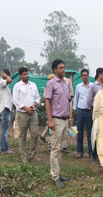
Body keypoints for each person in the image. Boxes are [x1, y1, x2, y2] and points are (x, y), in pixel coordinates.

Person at [45, 59, 72, 188]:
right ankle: (55, 177)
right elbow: (48, 102)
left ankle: (58, 172)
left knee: (61, 148)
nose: (63, 70)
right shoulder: (51, 84)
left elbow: (68, 101)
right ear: (55, 70)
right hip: (56, 120)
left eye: (64, 67)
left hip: (65, 119)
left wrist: (69, 118)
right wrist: (50, 120)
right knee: (55, 149)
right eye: (60, 68)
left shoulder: (65, 84)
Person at [13, 66, 40, 163]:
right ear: (20, 76)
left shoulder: (33, 85)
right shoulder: (17, 86)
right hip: (22, 114)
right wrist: (26, 108)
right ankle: (24, 156)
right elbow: (15, 100)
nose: (26, 75)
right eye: (24, 74)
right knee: (22, 136)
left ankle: (32, 155)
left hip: (33, 113)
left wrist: (35, 104)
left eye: (27, 73)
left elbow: (37, 97)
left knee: (35, 134)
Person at [87, 67, 103, 163]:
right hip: (96, 113)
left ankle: (102, 154)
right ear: (99, 74)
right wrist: (93, 109)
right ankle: (94, 155)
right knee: (95, 133)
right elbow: (89, 101)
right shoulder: (93, 86)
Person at [73, 69, 93, 159]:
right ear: (81, 77)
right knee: (79, 132)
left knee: (90, 132)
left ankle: (91, 152)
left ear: (88, 76)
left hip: (90, 111)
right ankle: (79, 151)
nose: (85, 77)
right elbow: (76, 99)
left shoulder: (92, 86)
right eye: (83, 75)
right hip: (80, 111)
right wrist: (74, 110)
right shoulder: (78, 86)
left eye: (86, 75)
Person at [0, 68, 14, 155]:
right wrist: (6, 76)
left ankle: (2, 147)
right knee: (5, 130)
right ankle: (5, 149)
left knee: (5, 130)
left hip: (8, 109)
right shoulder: (1, 83)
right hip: (5, 109)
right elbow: (10, 80)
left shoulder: (5, 85)